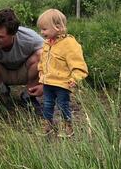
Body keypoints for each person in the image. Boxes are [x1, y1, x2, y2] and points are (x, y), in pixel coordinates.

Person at [37, 9, 88, 137]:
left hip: (62, 83)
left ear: (58, 27)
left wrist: (75, 78)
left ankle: (68, 127)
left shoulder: (69, 44)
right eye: (41, 29)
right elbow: (43, 60)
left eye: (44, 29)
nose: (41, 32)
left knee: (63, 105)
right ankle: (48, 124)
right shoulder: (47, 43)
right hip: (48, 81)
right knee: (47, 104)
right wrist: (41, 72)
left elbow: (78, 64)